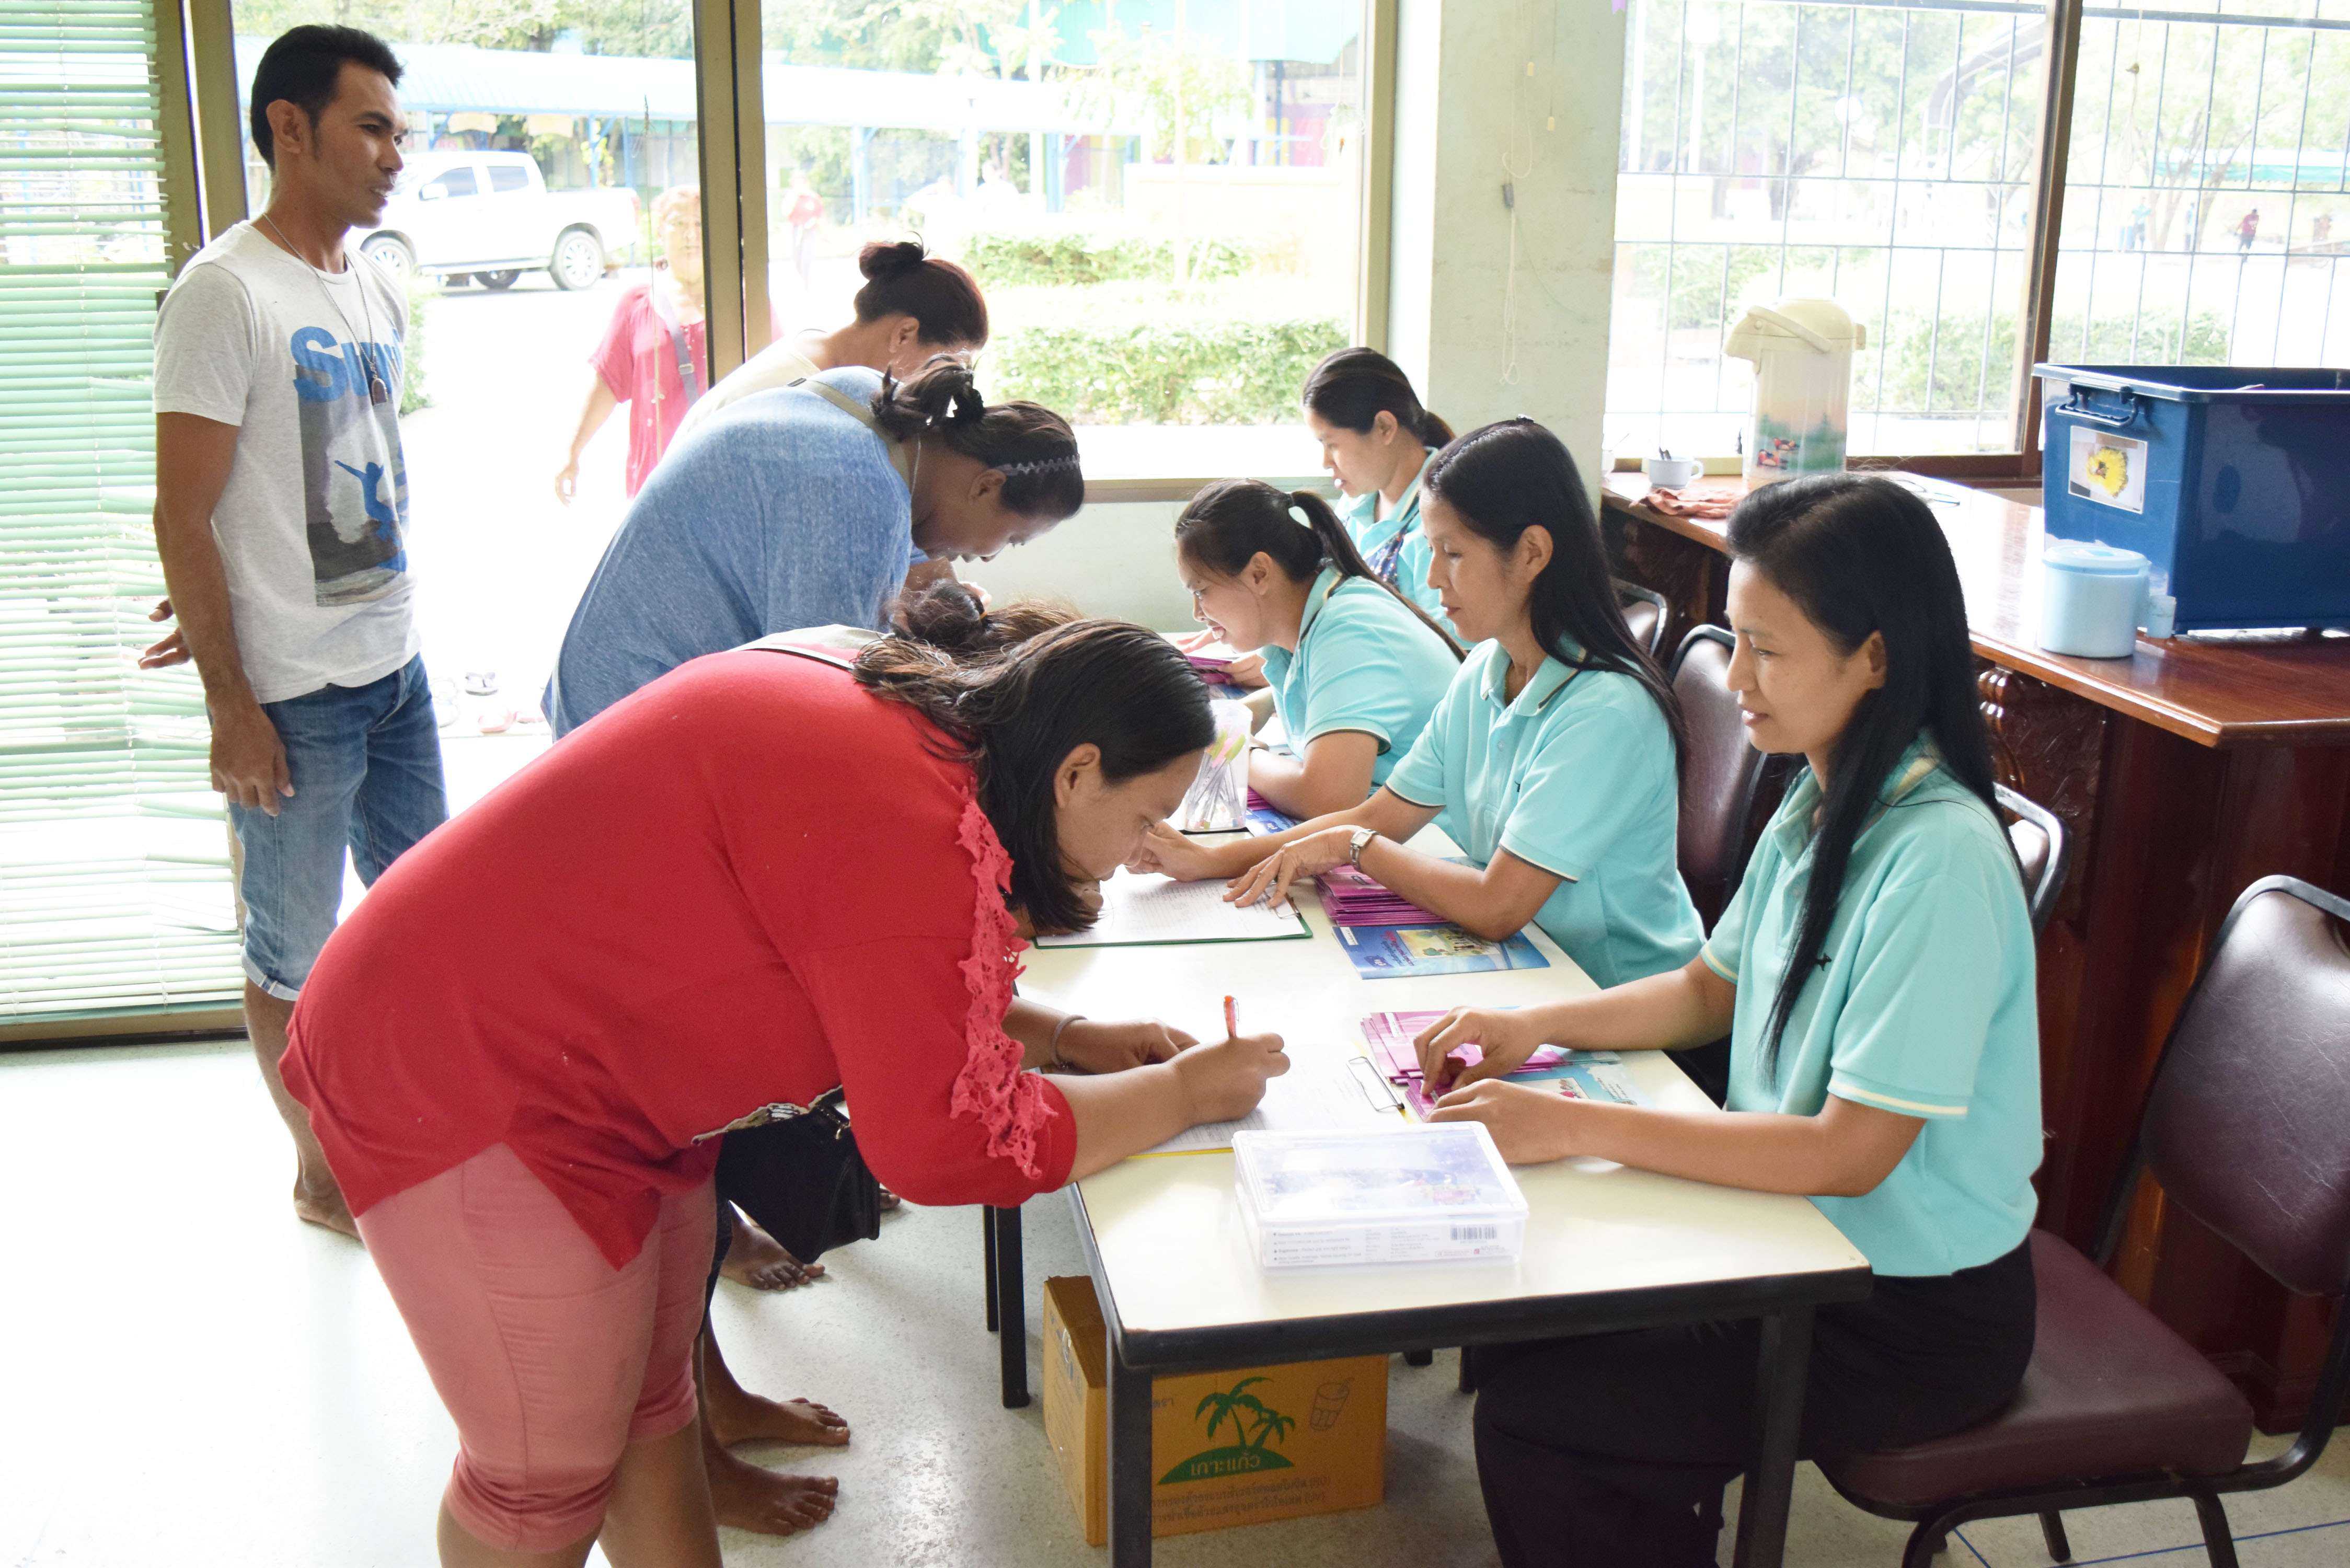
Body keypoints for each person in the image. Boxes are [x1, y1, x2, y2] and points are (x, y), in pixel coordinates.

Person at [279, 617, 1290, 1567]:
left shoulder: (921, 720)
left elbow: (869, 962)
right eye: (1145, 817)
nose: (1140, 851)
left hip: (593, 1070)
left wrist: (1063, 1036)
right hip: (459, 1070)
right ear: (1077, 772)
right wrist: (1181, 1093)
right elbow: (949, 1141)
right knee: (542, 1475)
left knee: (651, 1404)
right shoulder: (907, 825)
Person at [1419, 472, 2042, 1567]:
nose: (1737, 680)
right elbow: (1711, 989)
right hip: (1790, 1239)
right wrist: (1538, 1027)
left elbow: (1848, 1154)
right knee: (1528, 1333)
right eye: (1735, 642)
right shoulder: (1823, 793)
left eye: (1767, 650)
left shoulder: (1938, 858)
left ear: (1875, 656)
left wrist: (1573, 1125)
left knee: (1543, 1415)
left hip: (1902, 1311)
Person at [147, 25, 444, 1237]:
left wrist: (219, 586)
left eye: (400, 132)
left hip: (396, 666)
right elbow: (181, 510)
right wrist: (232, 701)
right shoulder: (223, 292)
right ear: (289, 128)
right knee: (292, 951)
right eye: (371, 128)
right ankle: (321, 1175)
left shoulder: (371, 280)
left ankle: (419, 1117)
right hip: (292, 695)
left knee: (431, 912)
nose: (395, 156)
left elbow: (306, 475)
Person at [1134, 420, 1701, 991]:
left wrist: (1353, 847)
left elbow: (1495, 905)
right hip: (1534, 966)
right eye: (1430, 550)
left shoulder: (1605, 709)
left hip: (1609, 990)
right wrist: (1212, 862)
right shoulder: (1487, 670)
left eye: (1451, 553)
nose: (1431, 578)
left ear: (1531, 553)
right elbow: (1377, 817)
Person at [544, 357, 1081, 735]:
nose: (988, 557)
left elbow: (908, 559)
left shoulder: (867, 401)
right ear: (986, 486)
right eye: (1011, 538)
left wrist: (946, 602)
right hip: (625, 716)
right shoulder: (857, 494)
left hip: (599, 676)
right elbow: (819, 699)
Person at [1171, 478, 1461, 822]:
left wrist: (1238, 750)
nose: (1197, 612)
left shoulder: (1351, 631)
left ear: (1259, 574)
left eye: (1201, 591)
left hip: (1441, 840)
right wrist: (1242, 713)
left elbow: (1326, 799)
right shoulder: (1316, 616)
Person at [669, 237, 988, 449]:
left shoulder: (818, 349)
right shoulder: (796, 392)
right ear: (903, 334)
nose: (942, 385)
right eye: (944, 366)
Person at [555, 184, 706, 500]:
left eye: (699, 223)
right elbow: (608, 382)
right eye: (679, 223)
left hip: (723, 476)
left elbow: (778, 383)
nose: (690, 234)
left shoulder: (744, 303)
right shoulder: (638, 304)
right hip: (656, 484)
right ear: (660, 233)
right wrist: (573, 452)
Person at [1304, 347, 1454, 619]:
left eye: (1332, 445)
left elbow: (1452, 642)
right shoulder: (1353, 506)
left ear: (1385, 427)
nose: (1326, 462)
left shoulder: (1446, 518)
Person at [784, 168, 823, 292]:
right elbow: (786, 213)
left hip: (809, 231)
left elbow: (819, 214)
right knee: (796, 258)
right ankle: (801, 278)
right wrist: (794, 199)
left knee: (807, 257)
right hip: (796, 230)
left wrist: (814, 223)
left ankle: (807, 283)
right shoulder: (791, 197)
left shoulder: (813, 198)